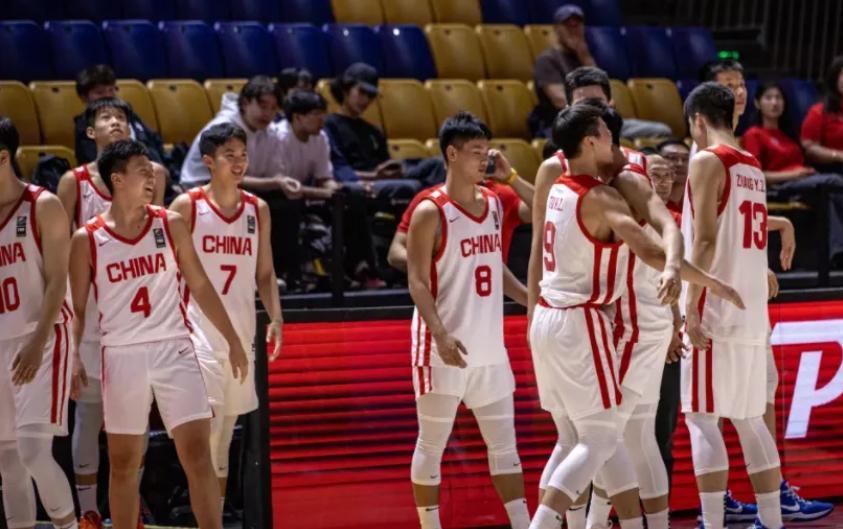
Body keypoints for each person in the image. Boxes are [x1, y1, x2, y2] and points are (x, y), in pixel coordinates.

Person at [526, 101, 742, 529]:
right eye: (607, 134)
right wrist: (708, 282)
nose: (616, 142)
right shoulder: (602, 196)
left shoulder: (557, 187)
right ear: (591, 141)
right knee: (602, 439)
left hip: (547, 317)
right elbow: (652, 250)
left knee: (584, 439)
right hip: (583, 321)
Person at [68, 139, 248, 529]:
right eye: (142, 171)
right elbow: (76, 309)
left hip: (174, 347)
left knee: (197, 455)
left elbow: (200, 285)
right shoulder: (87, 239)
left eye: (152, 171)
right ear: (117, 179)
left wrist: (233, 339)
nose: (152, 178)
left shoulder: (170, 223)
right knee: (123, 463)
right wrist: (72, 357)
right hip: (121, 353)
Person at [406, 112, 531, 529]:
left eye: (486, 151)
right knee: (432, 444)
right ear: (452, 154)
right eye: (476, 152)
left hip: (489, 349)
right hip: (441, 348)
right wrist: (440, 334)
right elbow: (417, 282)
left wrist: (528, 299)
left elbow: (494, 264)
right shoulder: (430, 210)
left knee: (505, 448)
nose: (484, 159)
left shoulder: (494, 202)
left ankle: (523, 524)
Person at [681, 81, 789, 529]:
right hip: (751, 312)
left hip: (717, 310)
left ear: (698, 120)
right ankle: (773, 520)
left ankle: (712, 523)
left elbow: (705, 240)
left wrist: (690, 306)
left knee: (702, 418)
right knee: (749, 419)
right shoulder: (752, 165)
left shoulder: (708, 160)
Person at [57, 97, 166, 528]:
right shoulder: (74, 182)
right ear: (91, 132)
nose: (116, 122)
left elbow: (157, 239)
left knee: (135, 416)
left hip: (134, 313)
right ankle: (88, 510)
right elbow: (59, 250)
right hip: (90, 310)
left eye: (122, 117)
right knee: (88, 413)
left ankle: (129, 506)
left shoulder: (151, 177)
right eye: (107, 118)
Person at [169, 123, 283, 519]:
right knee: (210, 430)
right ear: (208, 161)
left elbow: (264, 273)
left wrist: (276, 317)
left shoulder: (257, 209)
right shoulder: (186, 207)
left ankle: (212, 518)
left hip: (242, 331)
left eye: (243, 155)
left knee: (223, 442)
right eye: (229, 156)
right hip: (196, 331)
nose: (239, 163)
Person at [0, 117, 78, 529]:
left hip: (42, 337)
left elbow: (58, 282)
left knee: (32, 451)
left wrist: (36, 342)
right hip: (2, 340)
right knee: (8, 459)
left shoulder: (42, 205)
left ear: (2, 157)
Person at [180, 76, 304, 287]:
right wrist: (276, 181)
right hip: (202, 187)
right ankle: (248, 274)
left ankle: (279, 273)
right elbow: (226, 175)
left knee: (286, 204)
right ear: (245, 102)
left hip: (241, 187)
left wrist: (282, 183)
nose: (268, 113)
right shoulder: (225, 127)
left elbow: (272, 174)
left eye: (273, 108)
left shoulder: (269, 133)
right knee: (250, 206)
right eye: (263, 105)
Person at [276, 90, 385, 288]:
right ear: (298, 117)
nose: (322, 119)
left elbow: (324, 178)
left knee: (352, 196)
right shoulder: (279, 138)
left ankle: (361, 267)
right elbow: (283, 185)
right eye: (316, 114)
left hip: (308, 195)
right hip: (281, 196)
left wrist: (339, 190)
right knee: (288, 206)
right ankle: (295, 274)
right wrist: (327, 193)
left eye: (323, 113)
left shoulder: (320, 138)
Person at [529, 8, 671, 140]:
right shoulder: (547, 60)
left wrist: (586, 58)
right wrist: (599, 108)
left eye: (577, 25)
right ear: (556, 29)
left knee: (662, 130)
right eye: (568, 26)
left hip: (600, 121)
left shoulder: (586, 57)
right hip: (568, 124)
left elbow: (608, 97)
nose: (573, 30)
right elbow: (560, 101)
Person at [743, 81, 843, 263]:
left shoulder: (788, 134)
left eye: (778, 98)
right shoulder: (754, 134)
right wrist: (794, 175)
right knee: (834, 182)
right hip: (780, 187)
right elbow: (755, 175)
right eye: (769, 98)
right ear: (757, 103)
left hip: (804, 184)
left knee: (829, 199)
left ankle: (837, 253)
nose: (774, 103)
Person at [387, 149, 533, 272]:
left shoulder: (501, 196)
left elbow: (541, 212)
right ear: (448, 162)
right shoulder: (427, 202)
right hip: (443, 290)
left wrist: (511, 177)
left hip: (491, 289)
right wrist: (438, 264)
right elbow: (395, 253)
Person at [323, 63, 422, 200]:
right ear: (345, 89)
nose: (366, 100)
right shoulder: (329, 126)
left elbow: (385, 163)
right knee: (412, 187)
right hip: (359, 183)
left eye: (370, 96)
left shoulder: (373, 131)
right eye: (361, 92)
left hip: (383, 180)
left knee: (435, 166)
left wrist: (393, 171)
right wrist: (375, 176)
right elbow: (337, 169)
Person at [73, 65, 166, 167]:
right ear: (84, 97)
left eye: (111, 90)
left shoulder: (130, 115)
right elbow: (99, 164)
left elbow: (155, 143)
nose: (108, 96)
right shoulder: (84, 126)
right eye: (100, 92)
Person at [801, 56, 843, 172]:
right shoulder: (819, 111)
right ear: (835, 79)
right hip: (832, 168)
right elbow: (809, 149)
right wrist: (838, 156)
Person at [656, 139, 690, 213]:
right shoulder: (650, 203)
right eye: (672, 158)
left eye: (685, 159)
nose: (680, 164)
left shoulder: (695, 201)